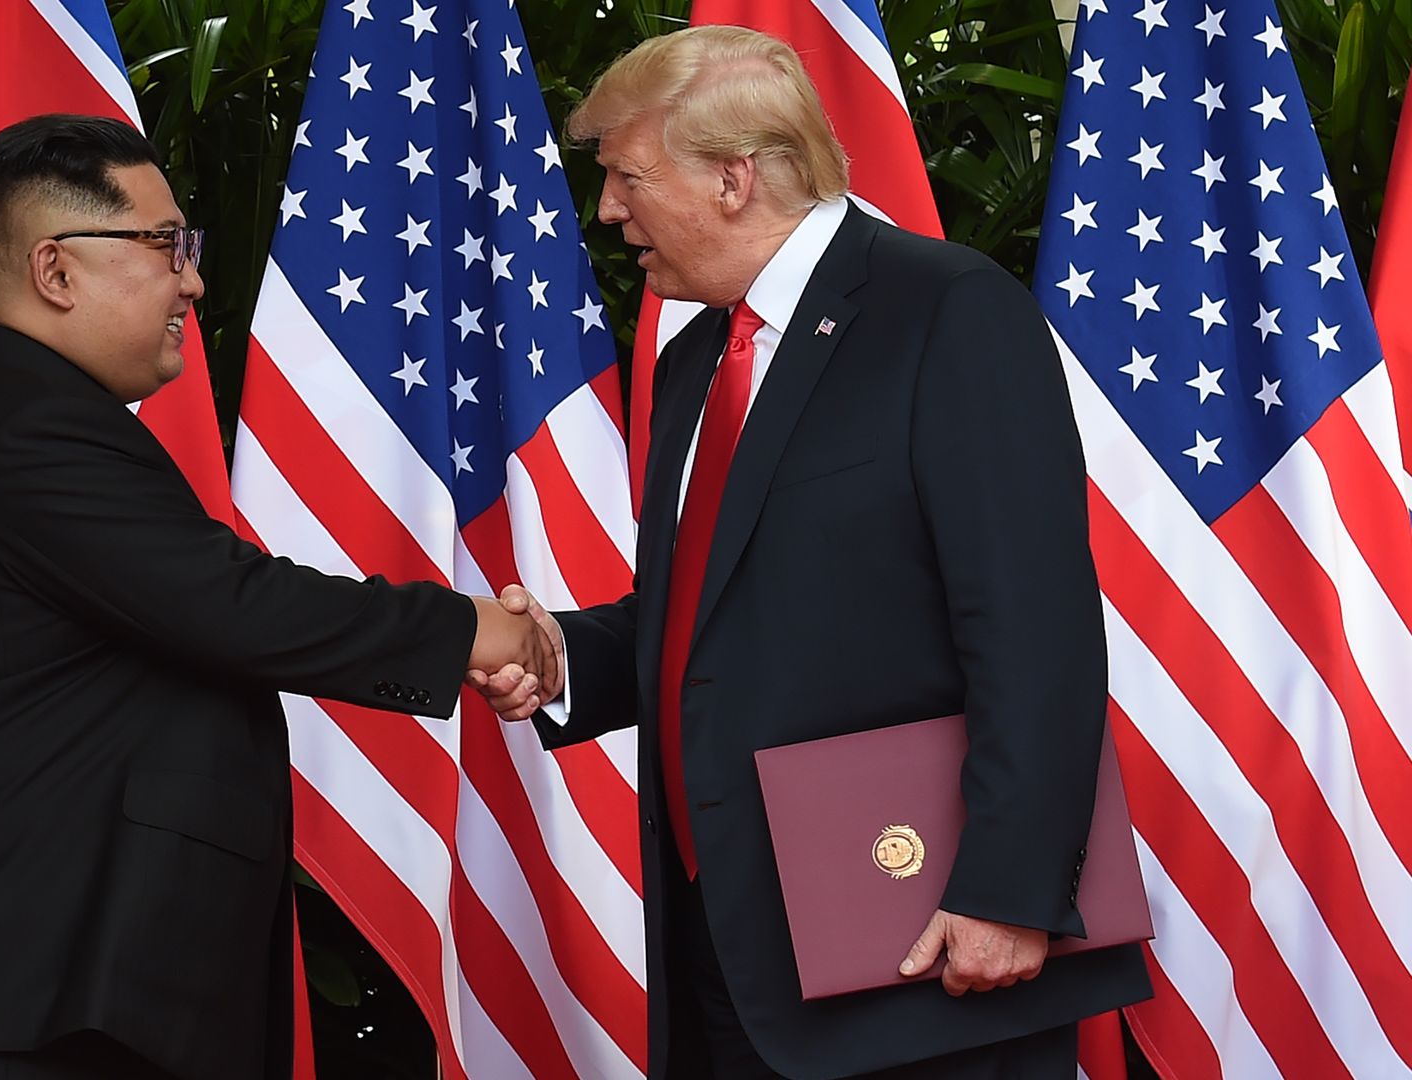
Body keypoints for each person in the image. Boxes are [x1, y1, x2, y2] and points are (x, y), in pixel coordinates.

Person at [471, 26, 1150, 1080]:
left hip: (926, 951)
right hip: (734, 952)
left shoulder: (947, 309)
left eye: (627, 178)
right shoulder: (699, 353)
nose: (607, 211)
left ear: (733, 177)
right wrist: (560, 657)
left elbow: (1034, 620)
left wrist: (1010, 890)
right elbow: (715, 611)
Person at [0, 113, 556, 1080]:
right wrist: (470, 629)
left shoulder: (23, 410)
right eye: (165, 246)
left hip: (46, 994)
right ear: (56, 270)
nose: (193, 281)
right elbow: (233, 605)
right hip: (17, 1001)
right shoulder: (28, 427)